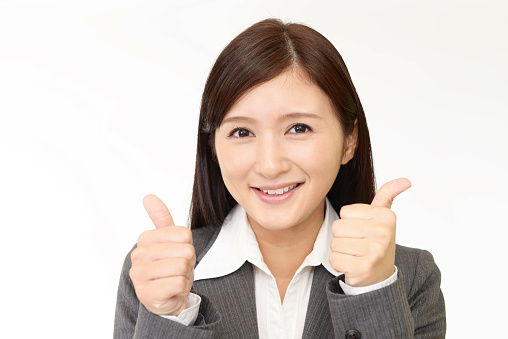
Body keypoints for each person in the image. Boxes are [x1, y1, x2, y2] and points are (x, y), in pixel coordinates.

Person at [114, 18, 446, 338]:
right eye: (242, 131)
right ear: (213, 146)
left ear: (349, 140)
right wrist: (171, 317)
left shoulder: (407, 276)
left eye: (299, 128)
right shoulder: (156, 271)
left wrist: (372, 292)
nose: (270, 165)